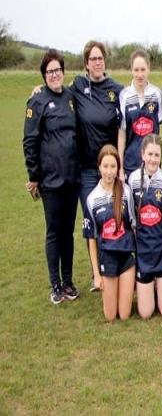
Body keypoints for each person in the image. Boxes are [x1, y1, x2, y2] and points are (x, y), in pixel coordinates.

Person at [23, 49, 80, 303]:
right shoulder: (37, 102)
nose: (54, 75)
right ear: (44, 75)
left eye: (58, 70)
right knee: (54, 231)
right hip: (50, 180)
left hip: (72, 178)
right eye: (49, 72)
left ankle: (68, 282)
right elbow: (30, 141)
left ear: (63, 72)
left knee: (68, 231)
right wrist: (34, 176)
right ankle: (55, 284)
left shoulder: (70, 97)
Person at [70, 41, 124, 292]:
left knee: (114, 217)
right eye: (93, 59)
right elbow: (57, 93)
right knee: (93, 219)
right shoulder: (78, 87)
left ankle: (115, 266)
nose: (97, 62)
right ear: (86, 63)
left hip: (111, 167)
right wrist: (39, 89)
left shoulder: (116, 89)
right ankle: (97, 274)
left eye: (100, 58)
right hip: (88, 169)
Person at [86, 145, 136, 322]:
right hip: (107, 259)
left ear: (118, 167)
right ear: (99, 167)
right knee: (110, 316)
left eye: (113, 166)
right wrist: (96, 275)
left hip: (126, 258)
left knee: (124, 315)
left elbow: (134, 225)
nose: (109, 172)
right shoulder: (91, 199)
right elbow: (91, 239)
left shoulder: (126, 192)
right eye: (105, 166)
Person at [129, 134, 162, 319]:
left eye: (157, 155)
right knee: (146, 313)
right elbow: (131, 218)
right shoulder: (132, 180)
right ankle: (148, 288)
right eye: (150, 154)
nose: (153, 159)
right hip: (143, 251)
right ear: (142, 154)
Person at [118, 49, 162, 179]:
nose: (139, 74)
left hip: (152, 164)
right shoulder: (124, 96)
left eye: (143, 70)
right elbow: (121, 134)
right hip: (131, 164)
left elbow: (157, 130)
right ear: (131, 70)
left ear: (149, 69)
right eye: (136, 70)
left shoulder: (157, 94)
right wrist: (120, 168)